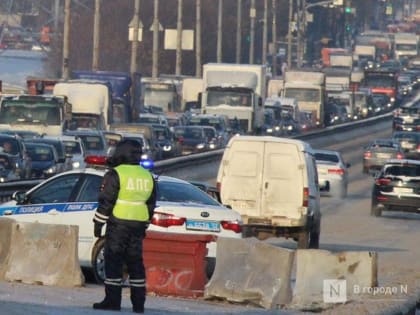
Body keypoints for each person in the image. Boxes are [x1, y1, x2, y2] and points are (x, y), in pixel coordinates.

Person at [92, 139, 157, 313]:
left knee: (114, 261)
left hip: (119, 223)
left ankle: (112, 301)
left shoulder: (116, 174)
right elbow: (151, 204)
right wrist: (145, 224)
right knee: (135, 263)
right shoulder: (147, 175)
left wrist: (98, 223)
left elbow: (107, 201)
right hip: (138, 225)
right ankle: (138, 304)